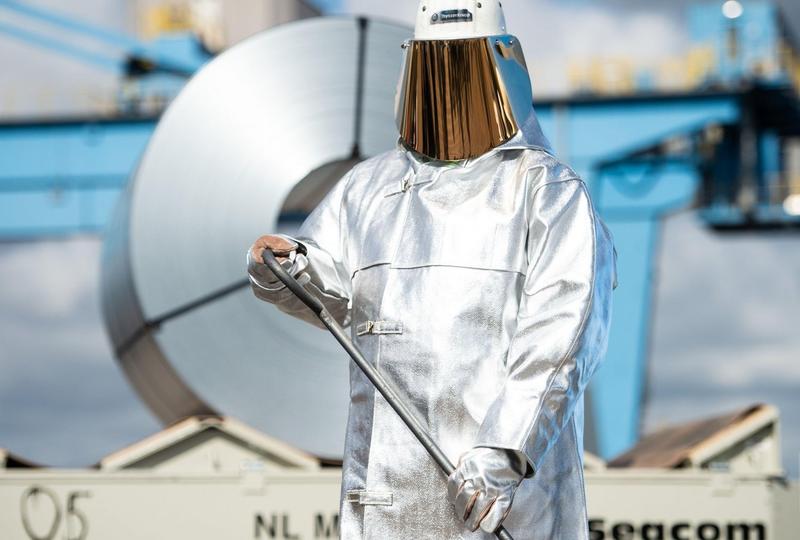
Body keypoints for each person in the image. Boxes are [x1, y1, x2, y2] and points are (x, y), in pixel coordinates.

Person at [248, 1, 616, 538]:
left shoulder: (547, 193)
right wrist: (286, 266)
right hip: (384, 510)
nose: (450, 90)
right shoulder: (367, 189)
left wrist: (502, 457)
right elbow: (326, 284)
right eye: (436, 68)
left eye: (465, 68)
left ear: (502, 68)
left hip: (504, 508)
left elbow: (561, 339)